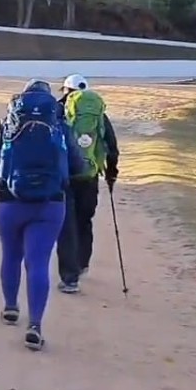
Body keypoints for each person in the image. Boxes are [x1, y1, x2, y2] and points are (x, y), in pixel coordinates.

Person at [0, 79, 86, 351]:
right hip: (51, 204)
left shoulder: (8, 122)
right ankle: (35, 326)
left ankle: (10, 307)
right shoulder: (59, 123)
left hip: (10, 201)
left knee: (11, 254)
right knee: (38, 262)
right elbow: (78, 165)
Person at [55, 73, 119, 294]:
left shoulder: (58, 111)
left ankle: (69, 278)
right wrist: (111, 174)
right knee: (84, 221)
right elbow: (111, 147)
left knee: (67, 225)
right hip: (89, 177)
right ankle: (82, 264)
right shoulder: (99, 115)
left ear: (65, 91)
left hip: (65, 178)